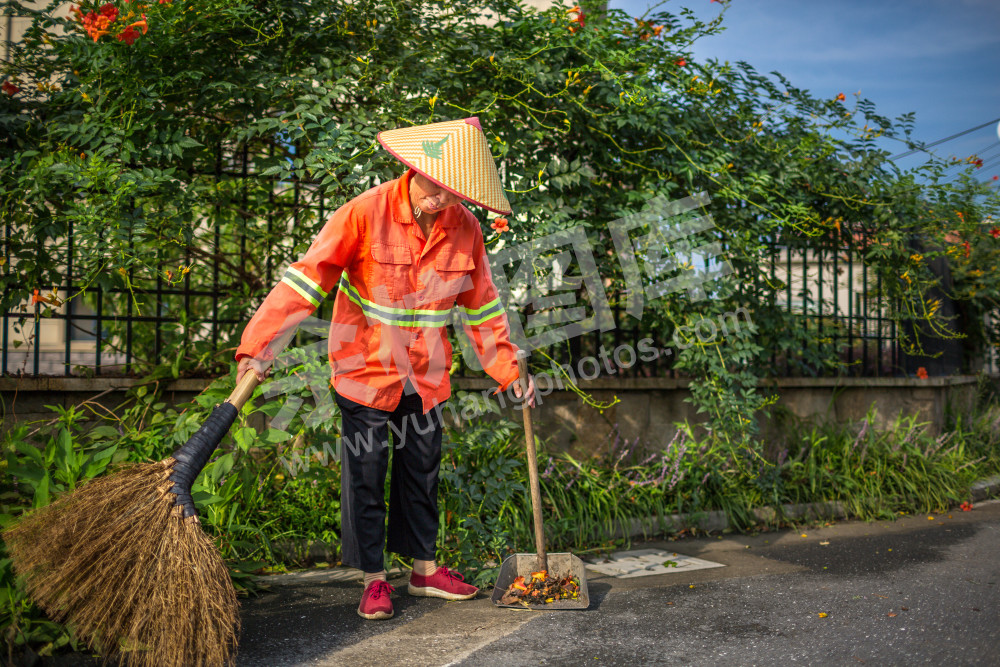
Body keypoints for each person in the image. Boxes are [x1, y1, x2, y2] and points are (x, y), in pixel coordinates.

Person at [234, 117, 536, 620]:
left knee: (422, 473)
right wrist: (259, 347)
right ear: (413, 168)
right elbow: (306, 282)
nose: (442, 201)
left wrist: (508, 372)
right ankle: (374, 580)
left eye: (453, 194)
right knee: (368, 474)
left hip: (427, 373)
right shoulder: (363, 213)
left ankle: (423, 570)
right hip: (365, 371)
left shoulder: (466, 229)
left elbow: (483, 308)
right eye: (435, 188)